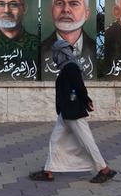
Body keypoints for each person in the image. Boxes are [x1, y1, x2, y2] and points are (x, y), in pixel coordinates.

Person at [30, 39, 116, 183]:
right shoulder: (66, 67)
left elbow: (79, 86)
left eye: (56, 53)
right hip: (66, 112)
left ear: (61, 53)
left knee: (87, 141)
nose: (54, 56)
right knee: (55, 141)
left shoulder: (71, 67)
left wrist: (86, 100)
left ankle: (104, 169)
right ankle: (48, 171)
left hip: (73, 112)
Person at [41, 0, 95, 80]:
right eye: (59, 3)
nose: (65, 10)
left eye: (74, 4)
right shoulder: (41, 49)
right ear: (52, 11)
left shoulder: (95, 49)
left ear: (87, 13)